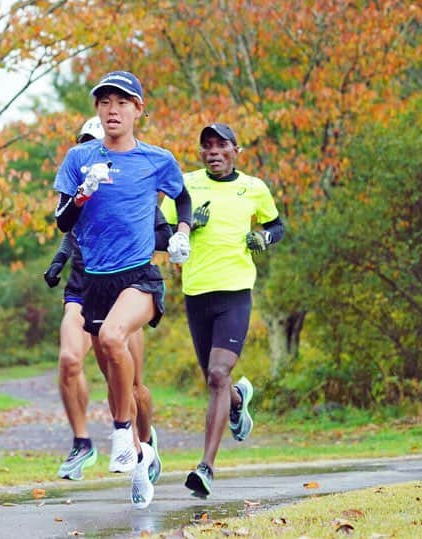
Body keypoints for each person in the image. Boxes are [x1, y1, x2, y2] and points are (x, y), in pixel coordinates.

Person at [53, 72, 193, 509]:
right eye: (105, 103)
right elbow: (61, 221)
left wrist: (183, 230)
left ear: (138, 110)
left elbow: (182, 197)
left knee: (115, 340)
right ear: (97, 110)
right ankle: (141, 453)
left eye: (122, 102)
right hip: (93, 279)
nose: (112, 110)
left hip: (139, 276)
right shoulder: (79, 158)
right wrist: (79, 196)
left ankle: (121, 436)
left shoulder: (156, 159)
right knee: (112, 364)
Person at [160, 122, 284, 498]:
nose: (213, 152)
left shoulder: (254, 188)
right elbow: (160, 230)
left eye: (221, 145)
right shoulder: (185, 186)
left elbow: (277, 225)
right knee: (215, 381)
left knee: (218, 374)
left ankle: (206, 468)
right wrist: (186, 227)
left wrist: (263, 237)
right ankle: (238, 400)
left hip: (235, 292)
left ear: (236, 150)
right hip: (197, 292)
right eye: (207, 146)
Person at [45, 116, 169, 484]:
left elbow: (159, 233)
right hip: (85, 287)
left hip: (126, 288)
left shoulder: (133, 191)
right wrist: (57, 263)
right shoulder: (80, 184)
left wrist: (168, 235)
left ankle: (145, 443)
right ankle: (91, 443)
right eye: (83, 143)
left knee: (132, 388)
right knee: (75, 361)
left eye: (94, 143)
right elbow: (69, 230)